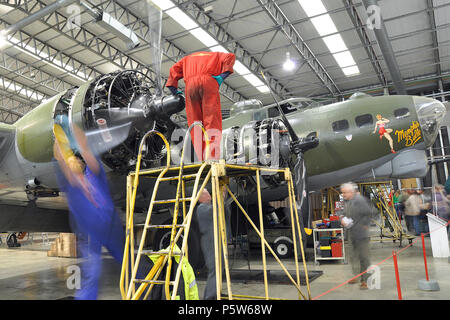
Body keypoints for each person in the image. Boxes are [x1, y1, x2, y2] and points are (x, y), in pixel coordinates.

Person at [53, 122, 125, 300]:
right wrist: (61, 142)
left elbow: (89, 157)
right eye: (74, 160)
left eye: (79, 160)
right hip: (90, 233)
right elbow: (61, 161)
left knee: (130, 265)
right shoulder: (72, 185)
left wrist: (79, 140)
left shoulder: (94, 176)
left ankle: (145, 292)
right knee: (92, 273)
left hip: (111, 227)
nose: (77, 162)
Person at [166, 51, 236, 161]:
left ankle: (201, 159)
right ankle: (212, 157)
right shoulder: (215, 55)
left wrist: (175, 90)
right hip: (209, 82)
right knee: (212, 120)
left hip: (190, 86)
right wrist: (222, 76)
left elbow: (173, 71)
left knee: (195, 123)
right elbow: (230, 56)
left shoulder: (187, 59)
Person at [339, 182, 375, 290]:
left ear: (351, 192)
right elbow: (343, 213)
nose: (343, 195)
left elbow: (371, 212)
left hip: (361, 234)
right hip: (351, 233)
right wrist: (341, 218)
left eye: (345, 193)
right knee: (353, 257)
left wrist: (365, 225)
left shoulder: (360, 200)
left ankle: (365, 280)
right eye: (343, 193)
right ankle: (357, 276)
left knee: (363, 257)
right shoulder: (347, 201)